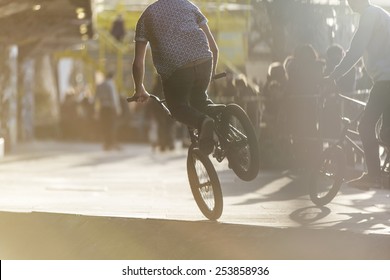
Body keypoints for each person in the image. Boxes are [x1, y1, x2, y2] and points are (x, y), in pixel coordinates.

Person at [131, 0, 219, 155]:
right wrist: (210, 76)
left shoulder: (147, 16)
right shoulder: (189, 5)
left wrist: (139, 88)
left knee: (177, 109)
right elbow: (214, 48)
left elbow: (138, 63)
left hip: (177, 70)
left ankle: (203, 122)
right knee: (200, 100)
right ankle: (227, 118)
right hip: (205, 60)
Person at [324, 0, 390, 189]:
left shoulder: (369, 15)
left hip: (386, 81)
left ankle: (374, 175)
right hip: (385, 80)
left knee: (365, 126)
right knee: (386, 134)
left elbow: (355, 51)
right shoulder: (382, 16)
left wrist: (333, 76)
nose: (348, 4)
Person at [94, 71, 122, 151]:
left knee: (104, 126)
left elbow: (96, 98)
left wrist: (95, 110)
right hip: (110, 108)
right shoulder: (111, 85)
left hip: (102, 108)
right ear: (113, 77)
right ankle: (111, 143)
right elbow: (114, 97)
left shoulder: (100, 85)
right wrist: (117, 109)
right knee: (111, 126)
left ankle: (106, 143)